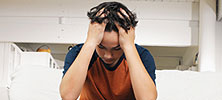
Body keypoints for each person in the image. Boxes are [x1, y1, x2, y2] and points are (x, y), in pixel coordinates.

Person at [60, 1, 157, 100]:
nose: (108, 55)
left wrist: (129, 46)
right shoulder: (78, 53)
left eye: (117, 48)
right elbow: (68, 96)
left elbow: (147, 98)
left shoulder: (142, 56)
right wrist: (90, 42)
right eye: (101, 47)